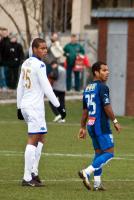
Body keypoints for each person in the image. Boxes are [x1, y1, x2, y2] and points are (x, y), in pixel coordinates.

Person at [17, 38, 66, 187]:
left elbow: (20, 86)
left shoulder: (26, 63)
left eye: (46, 48)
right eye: (41, 48)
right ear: (34, 49)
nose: (44, 51)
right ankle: (27, 177)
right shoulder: (40, 65)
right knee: (33, 139)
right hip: (33, 107)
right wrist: (59, 106)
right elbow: (47, 87)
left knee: (41, 137)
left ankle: (34, 172)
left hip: (28, 105)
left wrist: (19, 107)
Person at [78, 61, 121, 191]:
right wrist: (115, 121)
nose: (107, 72)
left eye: (107, 70)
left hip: (91, 124)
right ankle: (86, 172)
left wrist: (83, 127)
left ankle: (97, 184)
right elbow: (106, 106)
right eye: (104, 70)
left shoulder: (88, 88)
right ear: (96, 72)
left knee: (99, 153)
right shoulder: (102, 87)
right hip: (101, 124)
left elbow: (85, 110)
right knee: (109, 153)